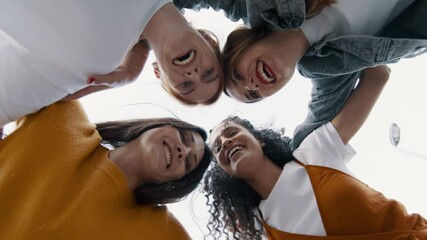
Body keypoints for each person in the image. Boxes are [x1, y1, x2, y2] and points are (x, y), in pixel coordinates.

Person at [204, 65, 427, 240]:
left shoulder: (313, 152)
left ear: (260, 140)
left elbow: (378, 76)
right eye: (217, 147)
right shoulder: (261, 228)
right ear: (225, 173)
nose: (225, 143)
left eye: (231, 132)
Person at [175, 0, 427, 150]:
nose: (252, 84)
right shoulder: (330, 68)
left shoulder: (259, 5)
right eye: (253, 95)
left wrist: (150, 39)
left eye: (237, 74)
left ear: (242, 46)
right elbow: (308, 144)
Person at [0, 99, 213, 239]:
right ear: (161, 125)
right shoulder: (65, 115)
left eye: (188, 162)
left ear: (175, 181)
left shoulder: (158, 229)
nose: (182, 151)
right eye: (185, 138)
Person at [0, 0, 224, 128]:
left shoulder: (97, 58)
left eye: (185, 86)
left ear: (159, 73)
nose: (193, 74)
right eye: (208, 73)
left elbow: (9, 95)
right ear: (209, 41)